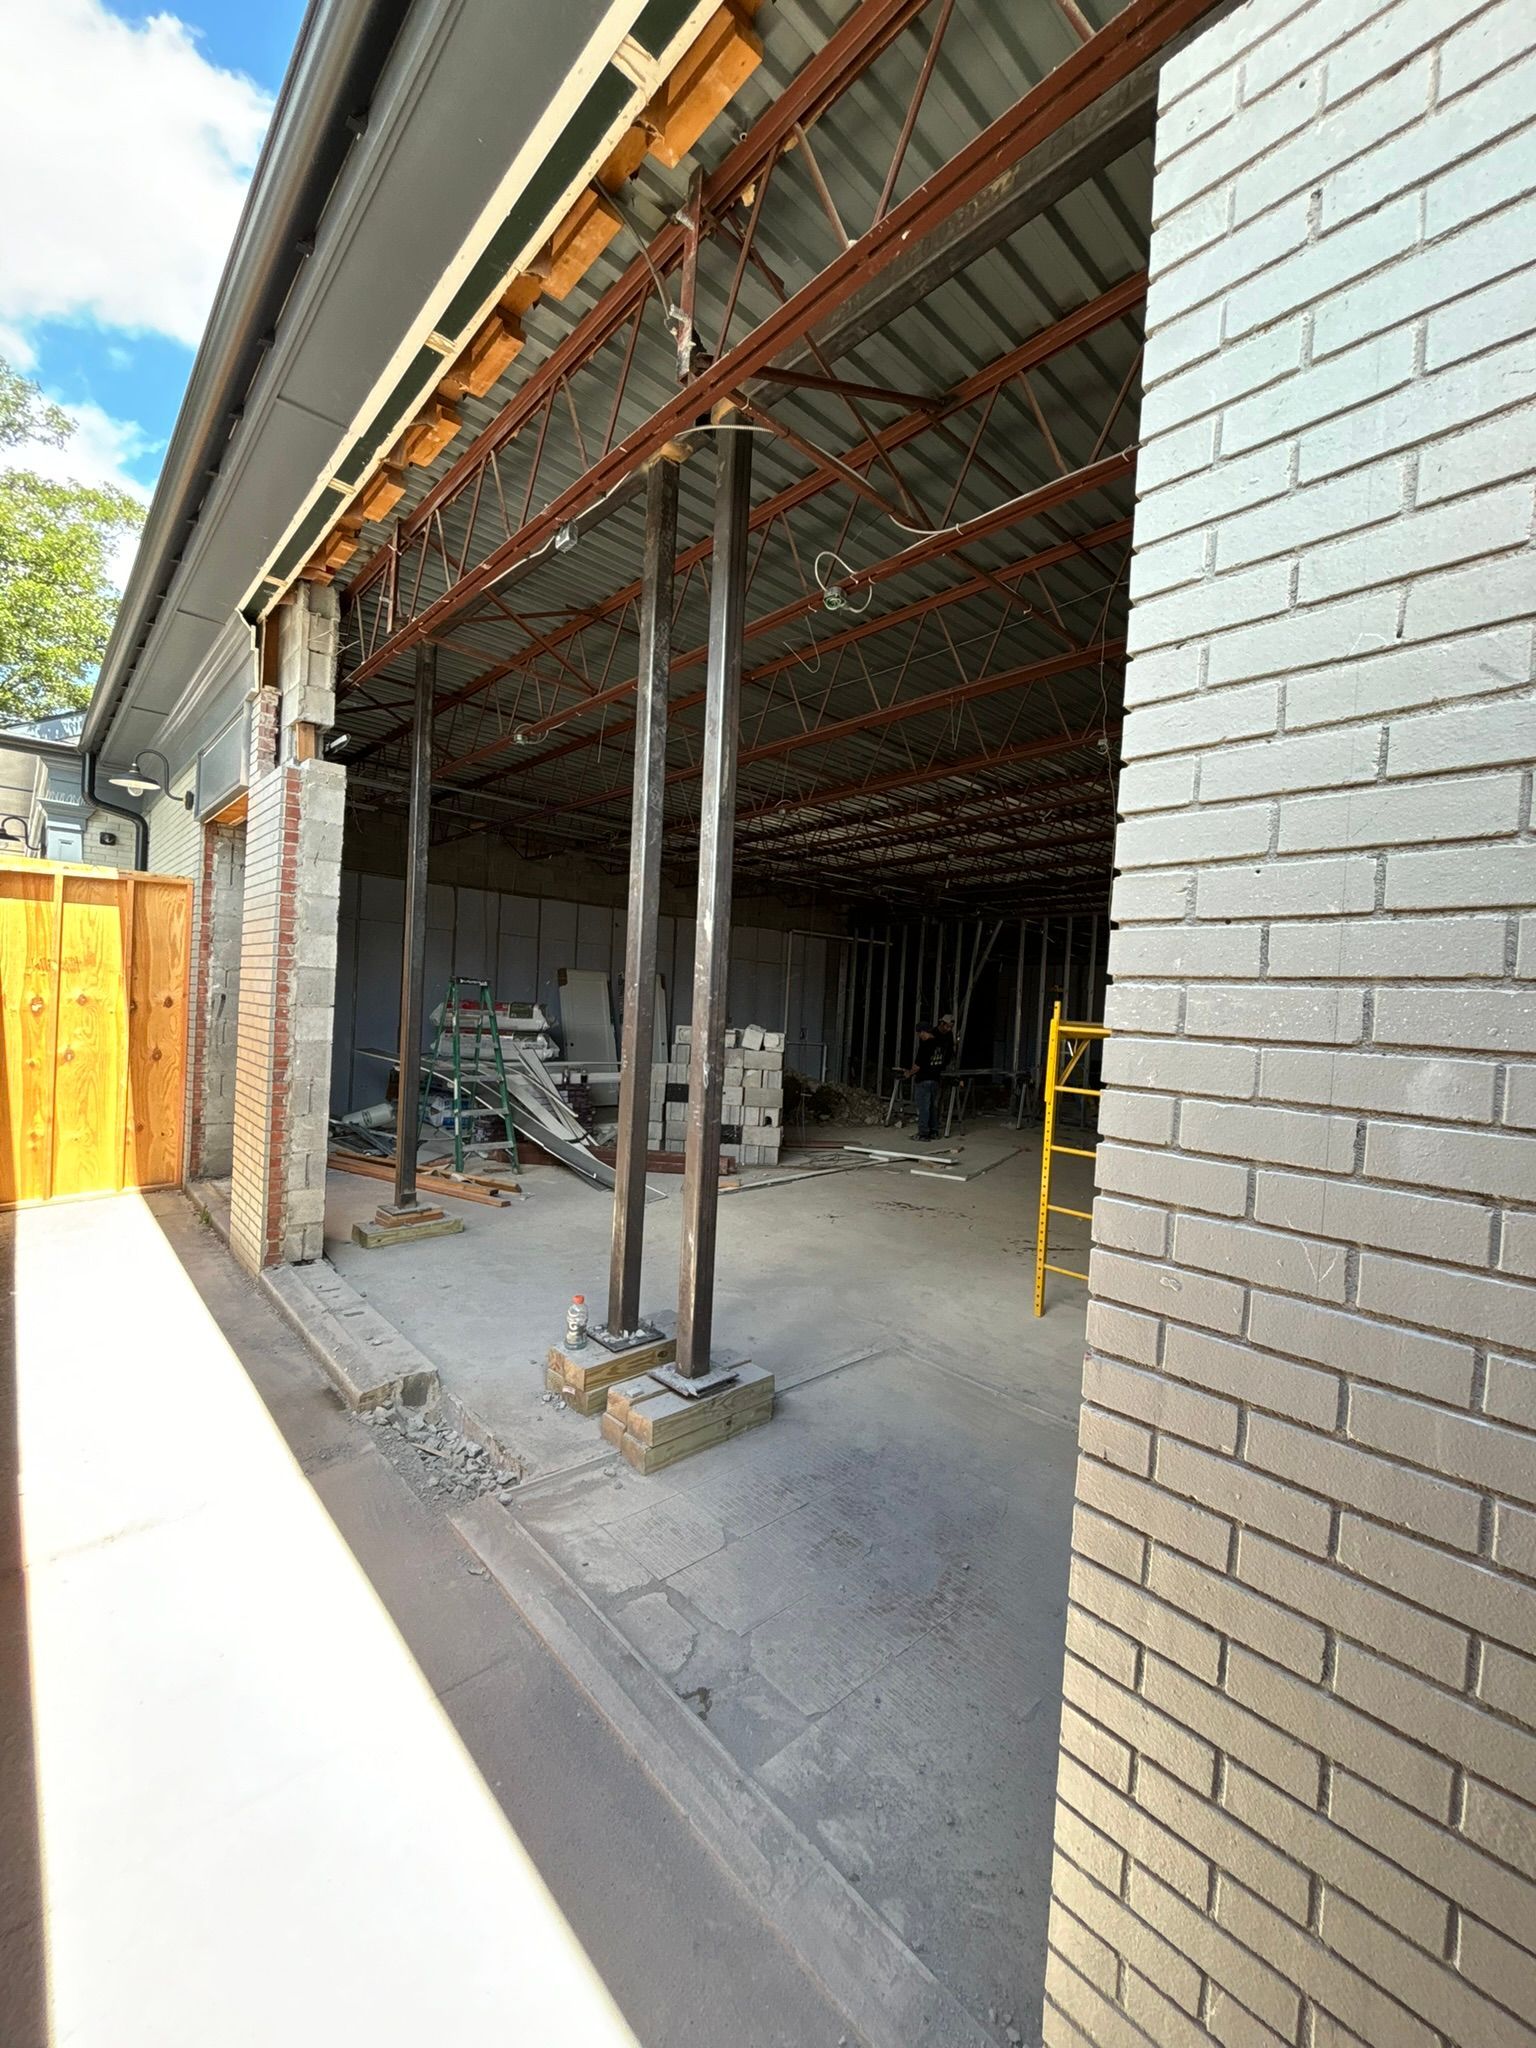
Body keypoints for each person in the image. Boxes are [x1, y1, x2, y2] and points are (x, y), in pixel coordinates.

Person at [907, 1022, 949, 1142]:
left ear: (924, 1032)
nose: (919, 1036)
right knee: (932, 1107)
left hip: (924, 1079)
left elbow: (918, 1065)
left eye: (920, 1034)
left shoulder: (925, 1045)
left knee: (924, 1107)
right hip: (935, 1079)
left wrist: (908, 1073)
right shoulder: (940, 1045)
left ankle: (923, 1133)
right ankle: (934, 1131)